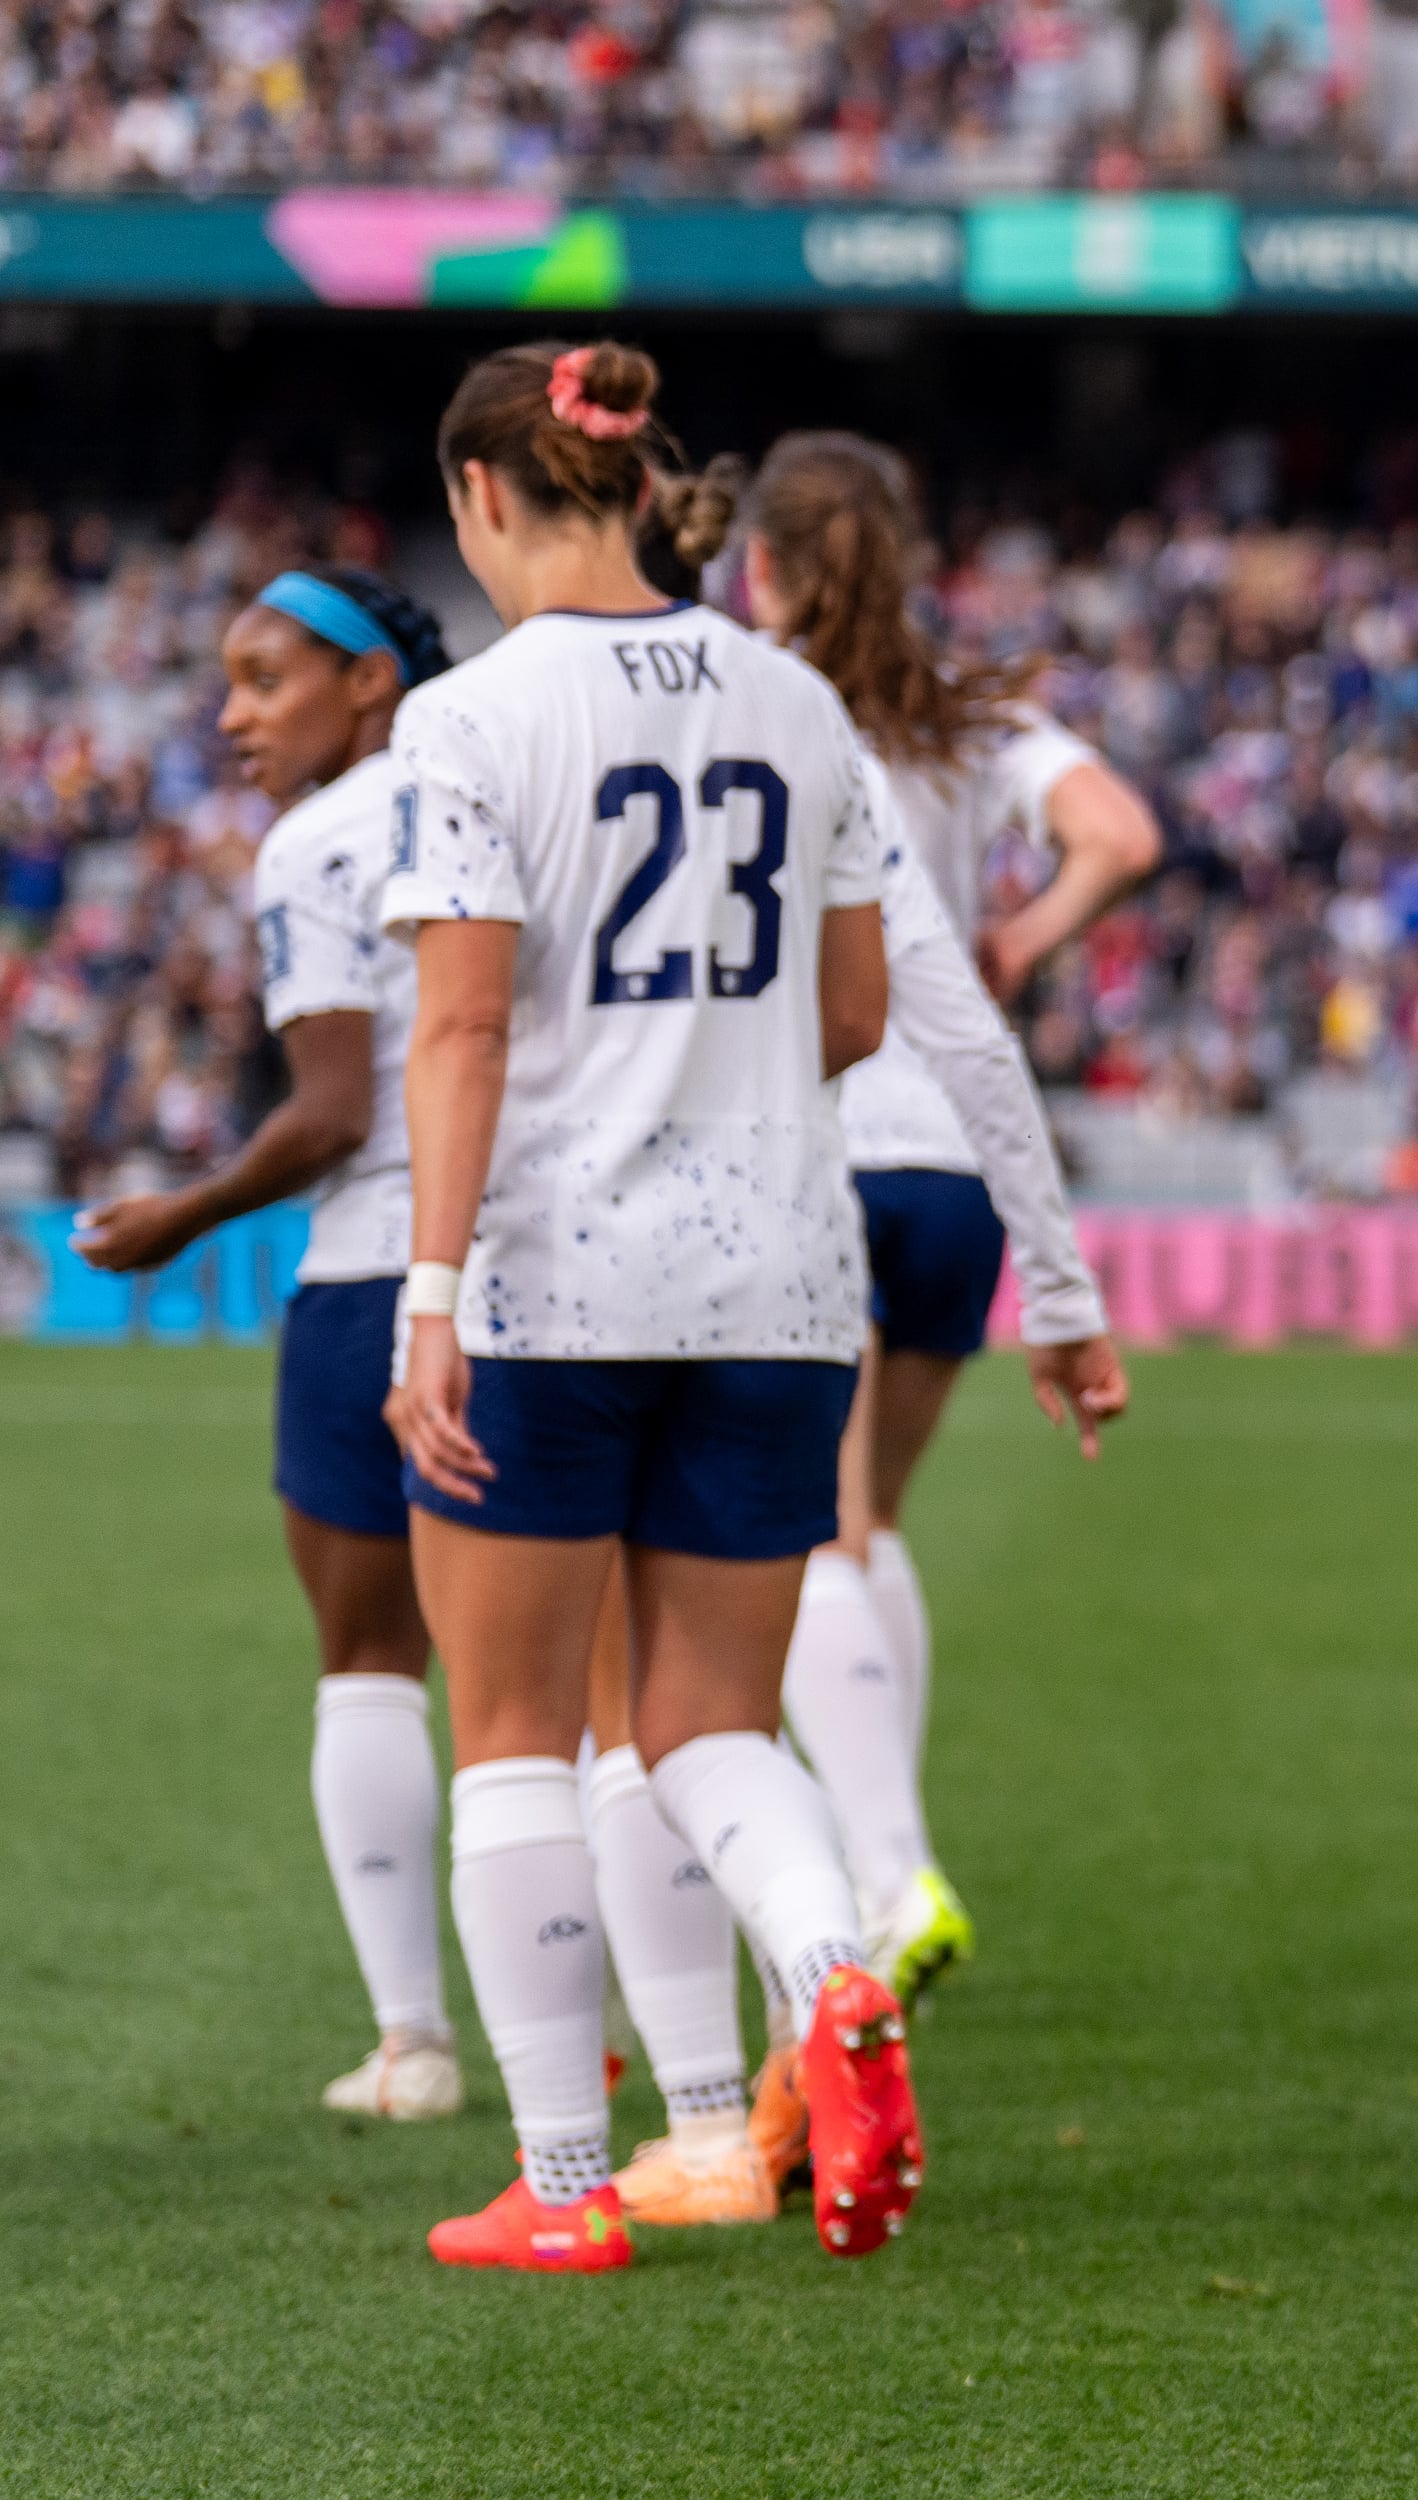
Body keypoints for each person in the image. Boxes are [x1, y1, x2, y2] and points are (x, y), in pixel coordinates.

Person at [376, 338, 925, 2272]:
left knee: (516, 1730)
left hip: (556, 1275)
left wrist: (427, 1294)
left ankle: (560, 2186)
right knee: (703, 1721)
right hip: (779, 1274)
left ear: (482, 500)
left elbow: (455, 1021)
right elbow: (855, 1016)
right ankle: (830, 1965)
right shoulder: (795, 702)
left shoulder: (468, 718)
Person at [593, 754, 1128, 2229]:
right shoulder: (885, 729)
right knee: (804, 1589)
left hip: (623, 1239)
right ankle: (849, 1942)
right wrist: (1065, 1287)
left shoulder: (559, 722)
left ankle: (650, 2127)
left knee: (591, 1702)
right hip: (844, 1221)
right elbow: (947, 1003)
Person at [742, 429, 1158, 2002]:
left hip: (820, 1132)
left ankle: (885, 1866)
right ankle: (882, 1857)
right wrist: (1021, 940)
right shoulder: (971, 714)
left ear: (760, 563)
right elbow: (1120, 831)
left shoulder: (754, 700)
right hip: (963, 1166)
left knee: (815, 1532)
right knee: (878, 1528)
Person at [71, 567, 462, 2119]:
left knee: (372, 1663)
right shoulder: (510, 779)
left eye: (265, 678)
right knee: (595, 1684)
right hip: (561, 1274)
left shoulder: (320, 839)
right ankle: (680, 2043)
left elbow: (336, 1111)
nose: (229, 715)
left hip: (380, 1271)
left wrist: (191, 1212)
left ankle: (416, 2045)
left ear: (369, 681)